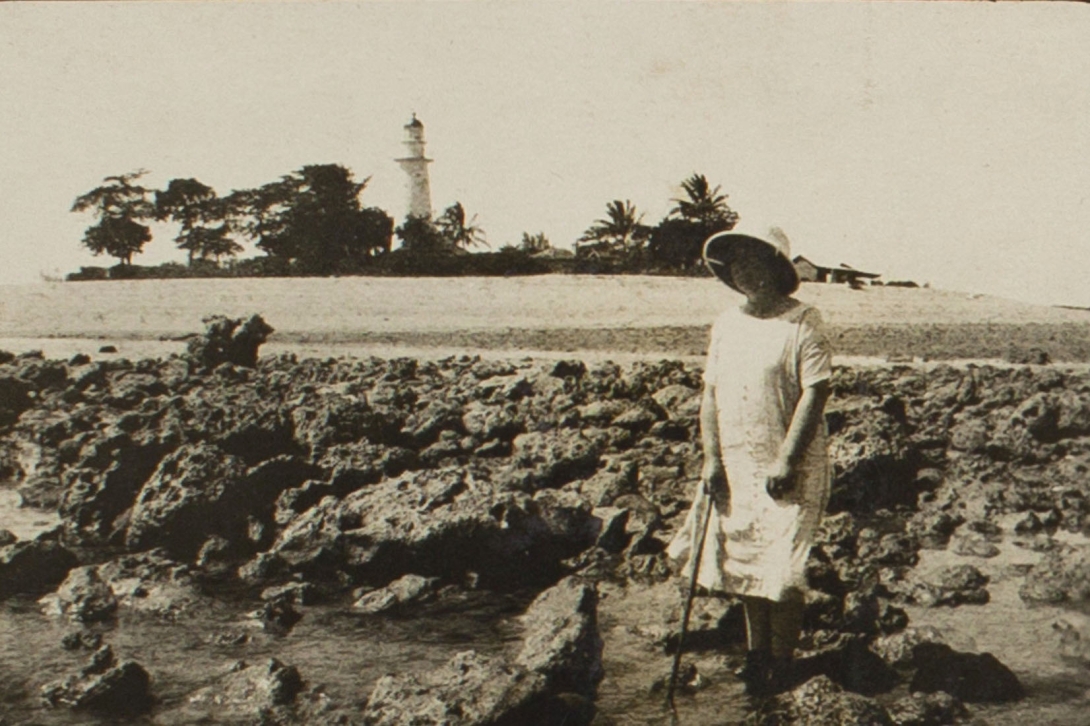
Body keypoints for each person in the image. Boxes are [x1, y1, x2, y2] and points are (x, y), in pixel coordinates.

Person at [668, 227, 832, 696]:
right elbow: (711, 394)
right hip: (738, 459)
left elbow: (815, 391)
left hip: (792, 460)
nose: (744, 271)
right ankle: (756, 654)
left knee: (782, 568)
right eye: (735, 264)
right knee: (746, 562)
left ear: (776, 269)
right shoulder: (726, 323)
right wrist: (712, 459)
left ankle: (782, 661)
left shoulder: (804, 321)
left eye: (753, 261)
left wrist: (786, 459)